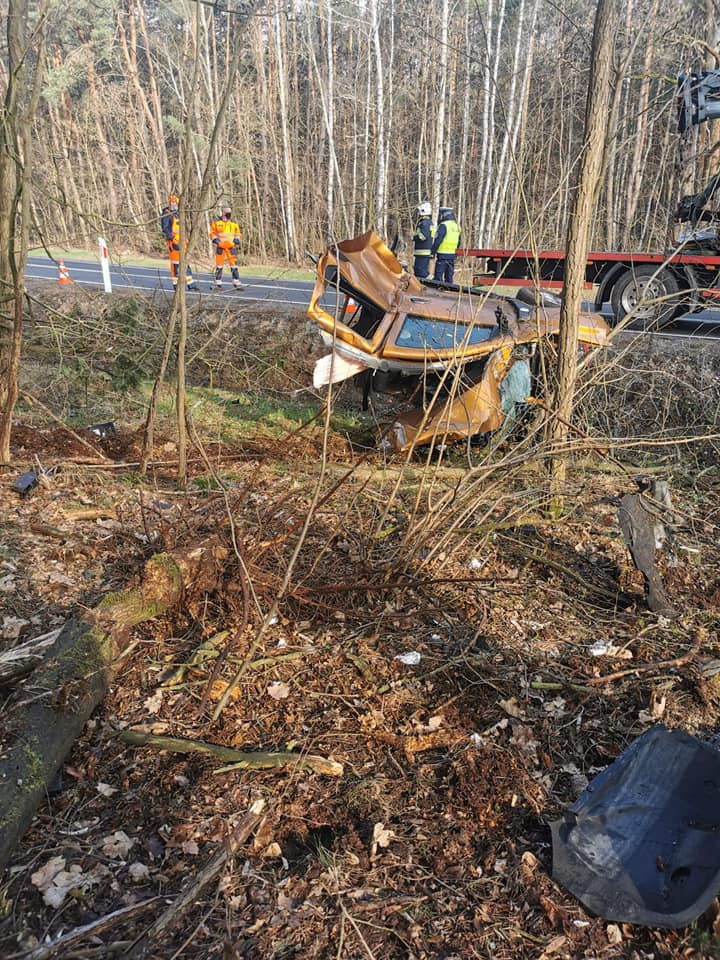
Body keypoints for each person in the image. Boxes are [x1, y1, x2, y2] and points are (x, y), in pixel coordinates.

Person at [161, 194, 199, 291]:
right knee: (175, 264)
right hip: (174, 243)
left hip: (182, 242)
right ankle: (176, 284)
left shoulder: (179, 213)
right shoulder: (167, 214)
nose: (174, 204)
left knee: (185, 262)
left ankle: (190, 283)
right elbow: (165, 228)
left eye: (175, 202)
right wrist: (172, 239)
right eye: (172, 202)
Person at [209, 206, 246, 290]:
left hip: (231, 247)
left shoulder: (233, 222)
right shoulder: (216, 222)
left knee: (234, 266)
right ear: (223, 213)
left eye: (230, 212)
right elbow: (212, 233)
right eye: (227, 212)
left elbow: (238, 233)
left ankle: (236, 282)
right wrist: (216, 240)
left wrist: (237, 239)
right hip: (220, 247)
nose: (229, 214)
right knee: (219, 266)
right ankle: (217, 283)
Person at [431, 206, 461, 284]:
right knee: (449, 278)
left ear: (444, 215)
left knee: (438, 277)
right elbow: (459, 242)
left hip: (442, 255)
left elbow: (438, 240)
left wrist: (432, 252)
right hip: (452, 255)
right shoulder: (456, 226)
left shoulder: (443, 225)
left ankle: (436, 294)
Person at [412, 201, 434, 279]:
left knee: (420, 271)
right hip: (423, 252)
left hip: (422, 251)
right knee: (418, 271)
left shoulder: (425, 223)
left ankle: (432, 282)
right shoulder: (428, 222)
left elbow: (423, 236)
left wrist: (414, 237)